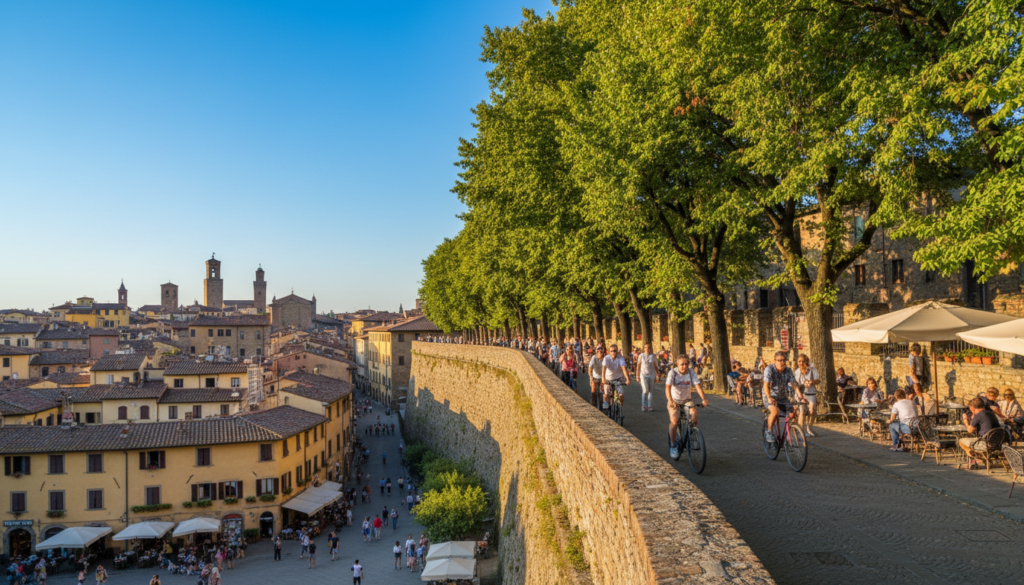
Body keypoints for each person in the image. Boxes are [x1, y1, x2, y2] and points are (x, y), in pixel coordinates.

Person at [665, 355, 708, 460]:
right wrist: (671, 401)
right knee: (674, 421)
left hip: (687, 400)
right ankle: (673, 445)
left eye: (686, 364)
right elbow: (667, 388)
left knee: (694, 414)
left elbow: (697, 386)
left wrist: (703, 399)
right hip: (674, 401)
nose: (684, 366)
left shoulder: (691, 372)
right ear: (677, 364)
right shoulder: (673, 373)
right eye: (681, 364)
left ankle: (693, 436)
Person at [762, 351, 804, 443]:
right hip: (769, 395)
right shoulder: (769, 369)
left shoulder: (788, 370)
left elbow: (794, 383)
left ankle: (791, 433)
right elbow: (766, 385)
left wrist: (799, 394)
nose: (782, 363)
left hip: (782, 396)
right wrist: (769, 397)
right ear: (775, 361)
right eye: (779, 360)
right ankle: (769, 431)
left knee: (793, 413)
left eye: (784, 360)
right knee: (775, 411)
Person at [960, 397, 1001, 469]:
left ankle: (970, 453)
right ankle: (977, 459)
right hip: (998, 443)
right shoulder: (991, 413)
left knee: (961, 441)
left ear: (972, 408)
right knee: (974, 440)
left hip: (986, 444)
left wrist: (966, 421)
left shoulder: (978, 415)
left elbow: (970, 431)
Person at [793, 354, 820, 436]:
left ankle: (809, 428)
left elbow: (818, 380)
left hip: (811, 393)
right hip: (801, 393)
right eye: (799, 361)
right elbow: (795, 384)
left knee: (812, 411)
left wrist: (812, 382)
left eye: (802, 361)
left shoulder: (812, 370)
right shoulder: (797, 371)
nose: (801, 363)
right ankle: (801, 431)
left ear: (807, 362)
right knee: (801, 412)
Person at [602, 344, 631, 410]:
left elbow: (624, 369)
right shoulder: (606, 358)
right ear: (609, 352)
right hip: (608, 379)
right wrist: (603, 379)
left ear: (617, 351)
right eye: (611, 351)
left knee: (621, 395)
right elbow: (603, 370)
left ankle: (620, 408)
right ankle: (606, 404)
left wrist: (627, 379)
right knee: (606, 394)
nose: (613, 353)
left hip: (618, 379)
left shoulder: (620, 358)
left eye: (614, 351)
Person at [636, 343, 658, 412]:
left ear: (651, 348)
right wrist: (637, 375)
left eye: (648, 347)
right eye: (646, 347)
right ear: (644, 348)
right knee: (645, 390)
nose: (647, 349)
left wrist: (657, 376)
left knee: (651, 391)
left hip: (651, 375)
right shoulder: (641, 356)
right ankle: (643, 405)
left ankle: (649, 406)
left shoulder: (653, 356)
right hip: (643, 375)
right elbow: (638, 366)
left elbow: (656, 367)